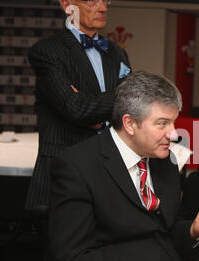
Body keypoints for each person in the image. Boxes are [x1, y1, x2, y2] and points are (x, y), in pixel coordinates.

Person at [47, 71, 199, 261]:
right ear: (129, 123)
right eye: (162, 124)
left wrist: (193, 229)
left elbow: (163, 233)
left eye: (173, 122)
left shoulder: (165, 161)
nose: (173, 133)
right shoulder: (78, 167)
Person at [25, 0, 131, 213]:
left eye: (105, 0)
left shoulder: (117, 53)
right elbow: (76, 109)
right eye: (93, 0)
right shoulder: (47, 51)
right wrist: (116, 102)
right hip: (64, 172)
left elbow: (131, 105)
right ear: (67, 5)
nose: (103, 7)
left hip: (109, 172)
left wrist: (89, 104)